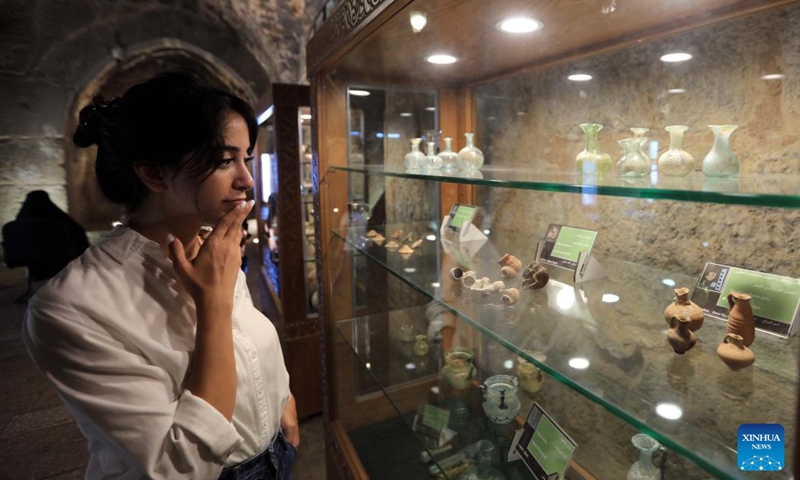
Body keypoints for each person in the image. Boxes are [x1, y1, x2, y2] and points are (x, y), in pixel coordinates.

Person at [22, 71, 298, 480]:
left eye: (247, 159)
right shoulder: (72, 307)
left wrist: (283, 400)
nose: (247, 180)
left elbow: (247, 342)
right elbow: (176, 468)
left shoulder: (212, 242)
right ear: (154, 174)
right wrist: (213, 304)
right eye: (225, 160)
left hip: (276, 454)